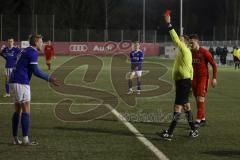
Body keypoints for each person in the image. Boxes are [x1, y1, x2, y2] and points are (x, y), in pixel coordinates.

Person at [9, 34, 59, 145]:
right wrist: (49, 78)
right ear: (36, 42)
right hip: (21, 82)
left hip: (13, 80)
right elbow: (36, 71)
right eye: (41, 42)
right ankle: (25, 140)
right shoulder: (33, 52)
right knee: (26, 109)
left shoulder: (25, 50)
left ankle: (15, 138)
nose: (43, 44)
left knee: (17, 110)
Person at [157, 14, 198, 141]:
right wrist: (188, 82)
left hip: (184, 82)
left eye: (181, 40)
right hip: (184, 82)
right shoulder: (184, 52)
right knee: (186, 107)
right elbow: (191, 69)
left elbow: (174, 38)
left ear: (185, 42)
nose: (178, 41)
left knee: (177, 107)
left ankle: (170, 133)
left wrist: (169, 24)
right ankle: (194, 129)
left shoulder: (185, 50)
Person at [189, 34, 217, 127]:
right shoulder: (190, 52)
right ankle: (203, 119)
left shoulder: (205, 52)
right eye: (190, 43)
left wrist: (214, 78)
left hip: (203, 78)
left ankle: (197, 121)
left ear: (197, 42)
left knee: (201, 98)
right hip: (194, 78)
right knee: (197, 99)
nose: (191, 44)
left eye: (192, 43)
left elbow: (214, 65)